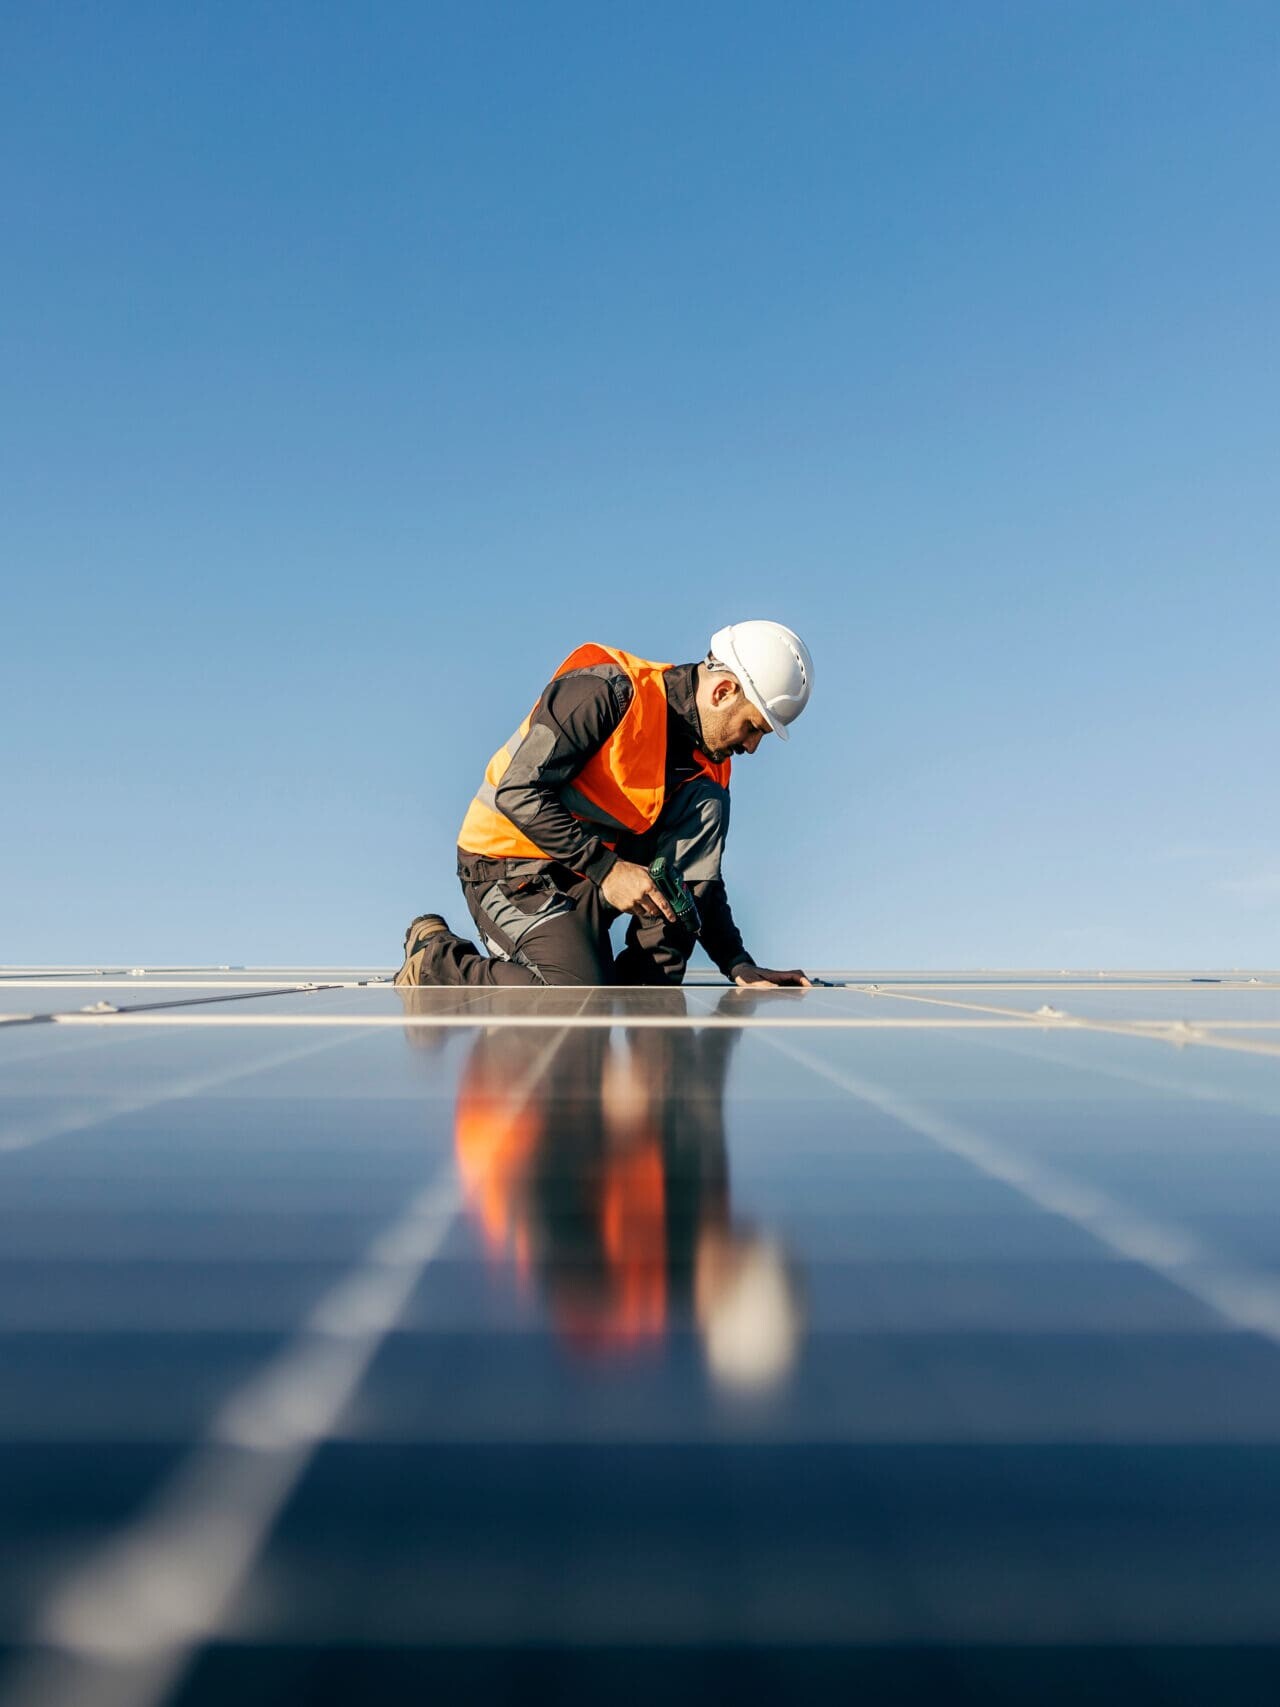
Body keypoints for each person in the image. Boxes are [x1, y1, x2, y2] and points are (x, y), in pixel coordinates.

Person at [395, 620, 815, 988]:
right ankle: (435, 959)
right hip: (508, 866)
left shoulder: (711, 765)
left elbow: (699, 878)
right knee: (572, 995)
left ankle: (630, 989)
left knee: (641, 993)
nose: (753, 746)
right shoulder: (605, 692)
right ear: (723, 691)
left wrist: (736, 962)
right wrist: (607, 869)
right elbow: (517, 791)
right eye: (752, 727)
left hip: (591, 872)